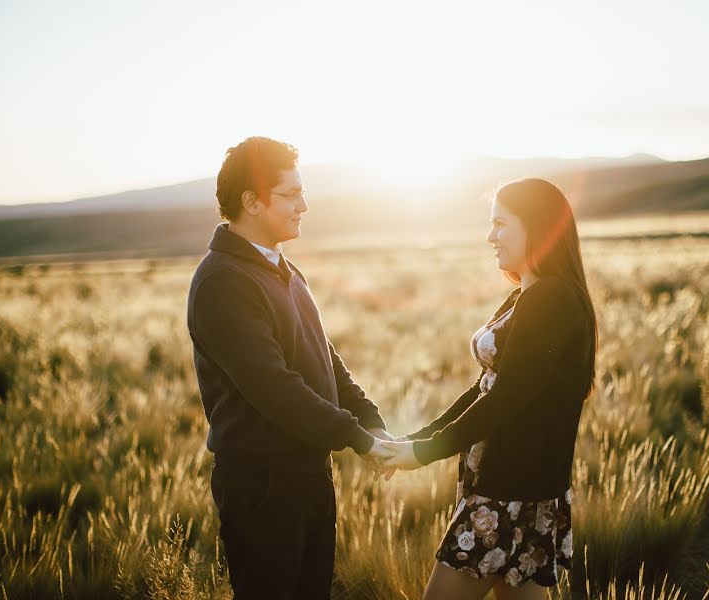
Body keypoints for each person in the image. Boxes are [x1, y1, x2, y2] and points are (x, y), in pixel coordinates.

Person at [186, 136, 397, 600]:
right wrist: (357, 438)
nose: (304, 205)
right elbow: (275, 388)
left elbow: (325, 359)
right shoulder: (223, 281)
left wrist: (371, 422)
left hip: (308, 475)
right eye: (291, 194)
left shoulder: (282, 269)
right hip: (262, 486)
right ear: (252, 202)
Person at [382, 178, 597, 600]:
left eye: (500, 223)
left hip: (510, 498)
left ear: (535, 225)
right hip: (515, 491)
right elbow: (486, 387)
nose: (489, 236)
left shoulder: (550, 299)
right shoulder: (526, 296)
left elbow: (505, 399)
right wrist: (416, 440)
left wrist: (424, 453)